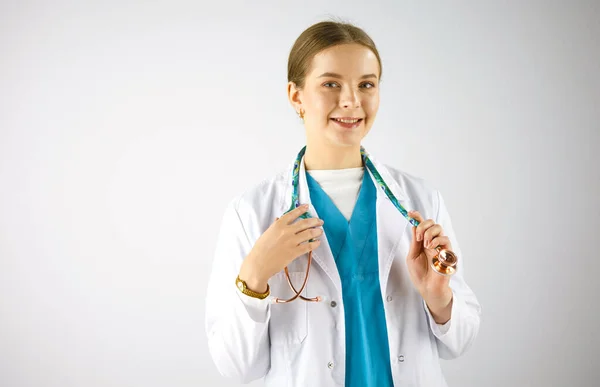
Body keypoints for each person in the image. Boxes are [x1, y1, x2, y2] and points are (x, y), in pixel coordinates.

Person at [205, 20, 481, 387]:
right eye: (331, 83)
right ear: (296, 96)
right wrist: (255, 276)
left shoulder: (419, 200)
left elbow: (460, 342)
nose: (351, 100)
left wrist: (438, 296)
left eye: (366, 84)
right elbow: (237, 367)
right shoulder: (251, 212)